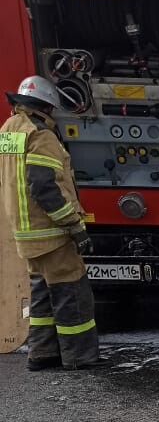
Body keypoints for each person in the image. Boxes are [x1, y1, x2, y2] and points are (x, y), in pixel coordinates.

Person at [0, 75, 100, 370]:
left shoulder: (8, 130)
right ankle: (79, 358)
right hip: (50, 232)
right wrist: (73, 225)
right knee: (72, 292)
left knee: (42, 294)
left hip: (24, 233)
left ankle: (42, 353)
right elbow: (44, 186)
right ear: (46, 106)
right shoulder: (41, 135)